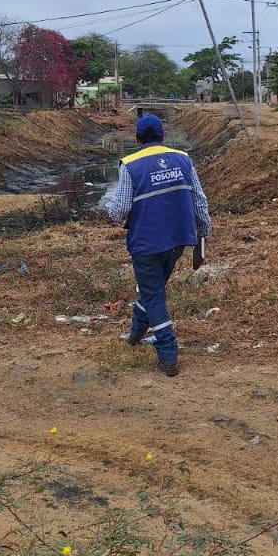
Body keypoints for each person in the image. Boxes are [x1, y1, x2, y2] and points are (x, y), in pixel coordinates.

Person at [101, 114, 211, 377]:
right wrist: (204, 233)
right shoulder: (183, 159)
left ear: (138, 139)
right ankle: (135, 335)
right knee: (153, 290)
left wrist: (109, 210)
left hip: (147, 242)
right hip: (178, 240)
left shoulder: (130, 165)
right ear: (163, 136)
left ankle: (168, 354)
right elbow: (199, 199)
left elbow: (119, 211)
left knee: (153, 295)